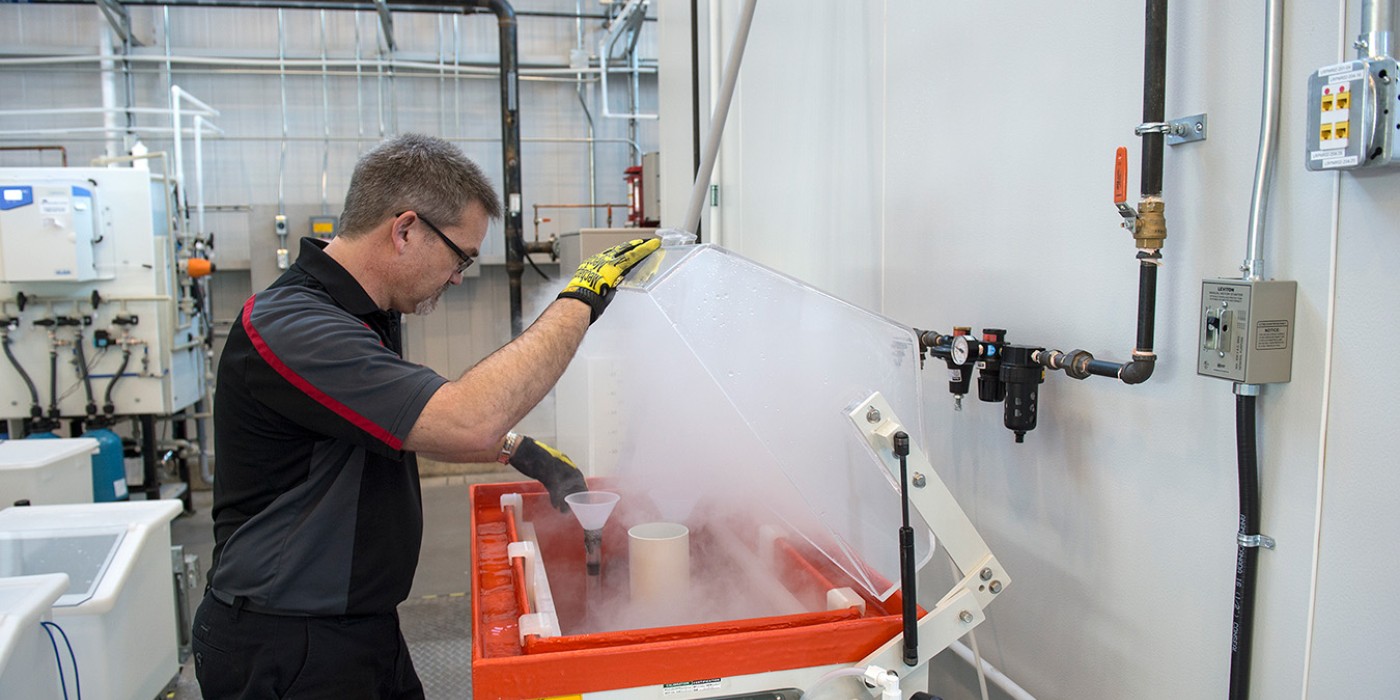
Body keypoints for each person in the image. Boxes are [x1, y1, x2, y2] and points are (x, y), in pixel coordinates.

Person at [192, 133, 659, 699]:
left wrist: (523, 451)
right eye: (460, 255)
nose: (460, 275)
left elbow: (399, 418)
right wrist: (581, 299)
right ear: (405, 228)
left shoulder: (360, 314)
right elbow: (464, 419)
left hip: (357, 628)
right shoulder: (295, 326)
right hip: (288, 645)